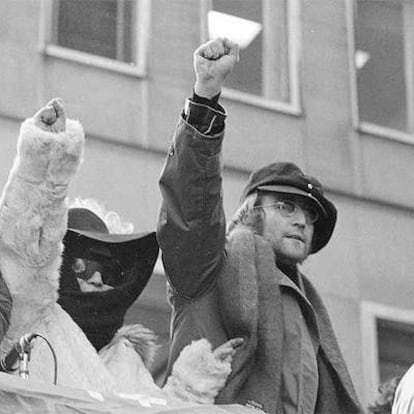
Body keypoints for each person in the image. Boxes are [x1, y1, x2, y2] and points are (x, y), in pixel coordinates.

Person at [157, 38, 364, 413]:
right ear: (252, 210)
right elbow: (191, 206)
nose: (302, 220)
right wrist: (205, 99)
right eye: (286, 206)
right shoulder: (210, 267)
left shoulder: (307, 306)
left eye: (310, 215)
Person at [0, 97, 243, 405]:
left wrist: (192, 386)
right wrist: (47, 159)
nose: (99, 278)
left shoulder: (127, 359)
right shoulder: (32, 322)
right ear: (59, 264)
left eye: (111, 269)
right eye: (83, 266)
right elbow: (26, 245)